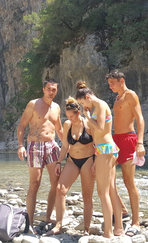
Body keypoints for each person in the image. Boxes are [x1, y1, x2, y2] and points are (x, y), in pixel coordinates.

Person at [76, 81, 124, 238]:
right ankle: (119, 228)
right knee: (111, 190)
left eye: (83, 102)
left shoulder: (101, 105)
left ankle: (108, 232)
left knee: (102, 192)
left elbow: (101, 127)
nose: (84, 106)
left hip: (105, 150)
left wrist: (88, 117)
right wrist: (88, 118)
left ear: (88, 97)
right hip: (105, 149)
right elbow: (94, 130)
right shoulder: (97, 107)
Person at [17, 78, 63, 232]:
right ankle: (29, 223)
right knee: (34, 184)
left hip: (52, 146)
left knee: (56, 183)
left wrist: (69, 146)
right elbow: (22, 125)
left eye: (54, 89)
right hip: (35, 146)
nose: (51, 92)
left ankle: (48, 216)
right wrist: (21, 146)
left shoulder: (56, 107)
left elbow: (59, 129)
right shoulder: (33, 104)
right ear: (43, 89)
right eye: (49, 89)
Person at [46, 97, 96, 236]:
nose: (70, 119)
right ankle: (58, 225)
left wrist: (96, 162)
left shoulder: (89, 124)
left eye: (72, 116)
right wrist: (58, 162)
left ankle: (86, 229)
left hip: (88, 160)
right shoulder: (67, 124)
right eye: (67, 116)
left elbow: (98, 145)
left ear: (78, 113)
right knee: (60, 190)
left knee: (87, 196)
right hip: (72, 160)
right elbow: (65, 146)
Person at [106, 69, 145, 237]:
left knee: (129, 182)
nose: (110, 87)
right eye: (109, 84)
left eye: (112, 83)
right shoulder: (117, 98)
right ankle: (122, 210)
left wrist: (140, 143)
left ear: (122, 80)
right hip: (115, 140)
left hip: (129, 140)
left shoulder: (131, 95)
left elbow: (140, 119)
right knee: (106, 176)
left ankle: (136, 222)